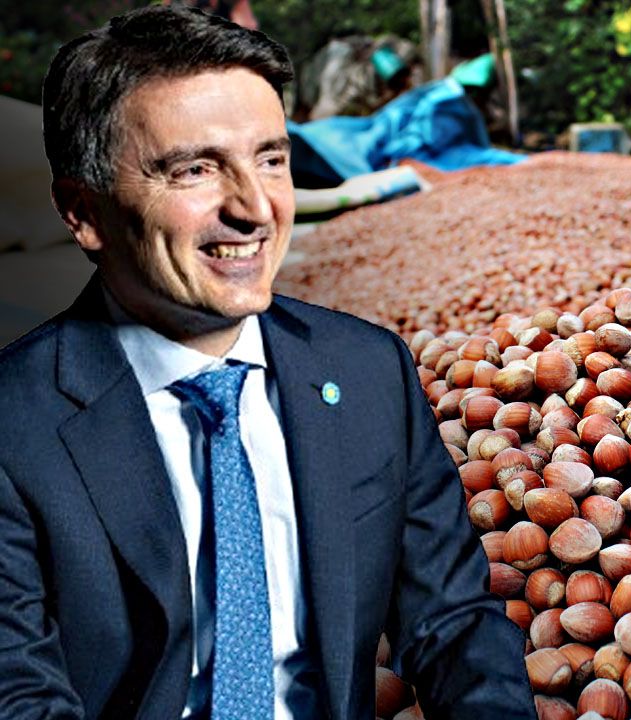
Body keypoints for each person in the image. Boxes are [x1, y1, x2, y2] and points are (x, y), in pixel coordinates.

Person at [0, 6, 535, 719]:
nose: (255, 209)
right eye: (194, 169)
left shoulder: (371, 371)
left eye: (271, 160)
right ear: (84, 212)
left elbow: (454, 624)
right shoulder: (16, 423)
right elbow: (20, 694)